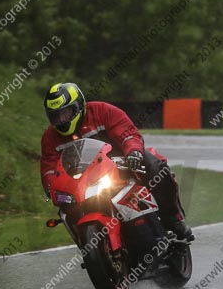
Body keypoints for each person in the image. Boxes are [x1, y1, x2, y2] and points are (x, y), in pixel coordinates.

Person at [40, 82, 193, 240]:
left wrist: (133, 152)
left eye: (66, 113)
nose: (62, 120)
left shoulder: (102, 111)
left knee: (156, 169)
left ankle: (173, 219)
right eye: (56, 116)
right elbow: (49, 167)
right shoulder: (50, 137)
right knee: (66, 209)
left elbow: (127, 133)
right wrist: (52, 186)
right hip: (84, 179)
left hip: (124, 162)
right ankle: (87, 241)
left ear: (79, 106)